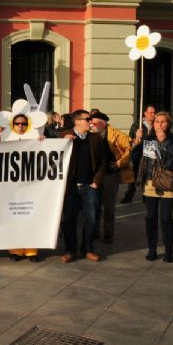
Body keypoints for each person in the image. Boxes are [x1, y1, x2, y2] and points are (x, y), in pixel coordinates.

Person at [135, 112, 173, 263]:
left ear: (168, 124)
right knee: (151, 218)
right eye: (157, 122)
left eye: (163, 122)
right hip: (150, 182)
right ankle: (152, 249)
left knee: (166, 218)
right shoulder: (148, 139)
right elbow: (135, 158)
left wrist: (165, 141)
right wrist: (137, 141)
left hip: (166, 182)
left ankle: (168, 251)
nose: (160, 124)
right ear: (153, 123)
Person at [59, 109, 106, 263]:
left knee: (92, 218)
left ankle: (88, 248)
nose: (90, 121)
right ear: (77, 121)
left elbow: (102, 162)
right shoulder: (63, 136)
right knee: (69, 219)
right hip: (70, 186)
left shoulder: (95, 138)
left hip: (89, 185)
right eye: (87, 119)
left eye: (90, 118)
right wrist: (62, 142)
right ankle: (70, 250)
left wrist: (96, 181)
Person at [89, 112, 133, 244]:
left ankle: (108, 234)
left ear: (104, 123)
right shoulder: (91, 135)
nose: (92, 125)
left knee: (109, 207)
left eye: (95, 123)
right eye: (91, 123)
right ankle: (95, 231)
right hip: (95, 175)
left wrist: (121, 162)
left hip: (110, 175)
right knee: (95, 205)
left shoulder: (116, 134)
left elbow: (129, 147)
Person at [7, 114, 42, 262]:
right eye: (17, 123)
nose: (20, 126)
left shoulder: (36, 138)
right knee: (14, 218)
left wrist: (44, 142)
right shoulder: (5, 139)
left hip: (30, 185)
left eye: (23, 123)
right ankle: (15, 250)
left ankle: (31, 250)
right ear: (12, 124)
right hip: (12, 186)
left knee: (30, 216)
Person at [122, 104, 157, 203]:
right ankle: (129, 195)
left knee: (147, 174)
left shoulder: (156, 125)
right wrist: (137, 137)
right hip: (138, 153)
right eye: (150, 112)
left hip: (150, 153)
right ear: (145, 113)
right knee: (134, 174)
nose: (153, 114)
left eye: (154, 112)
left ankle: (146, 195)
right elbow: (130, 140)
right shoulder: (137, 125)